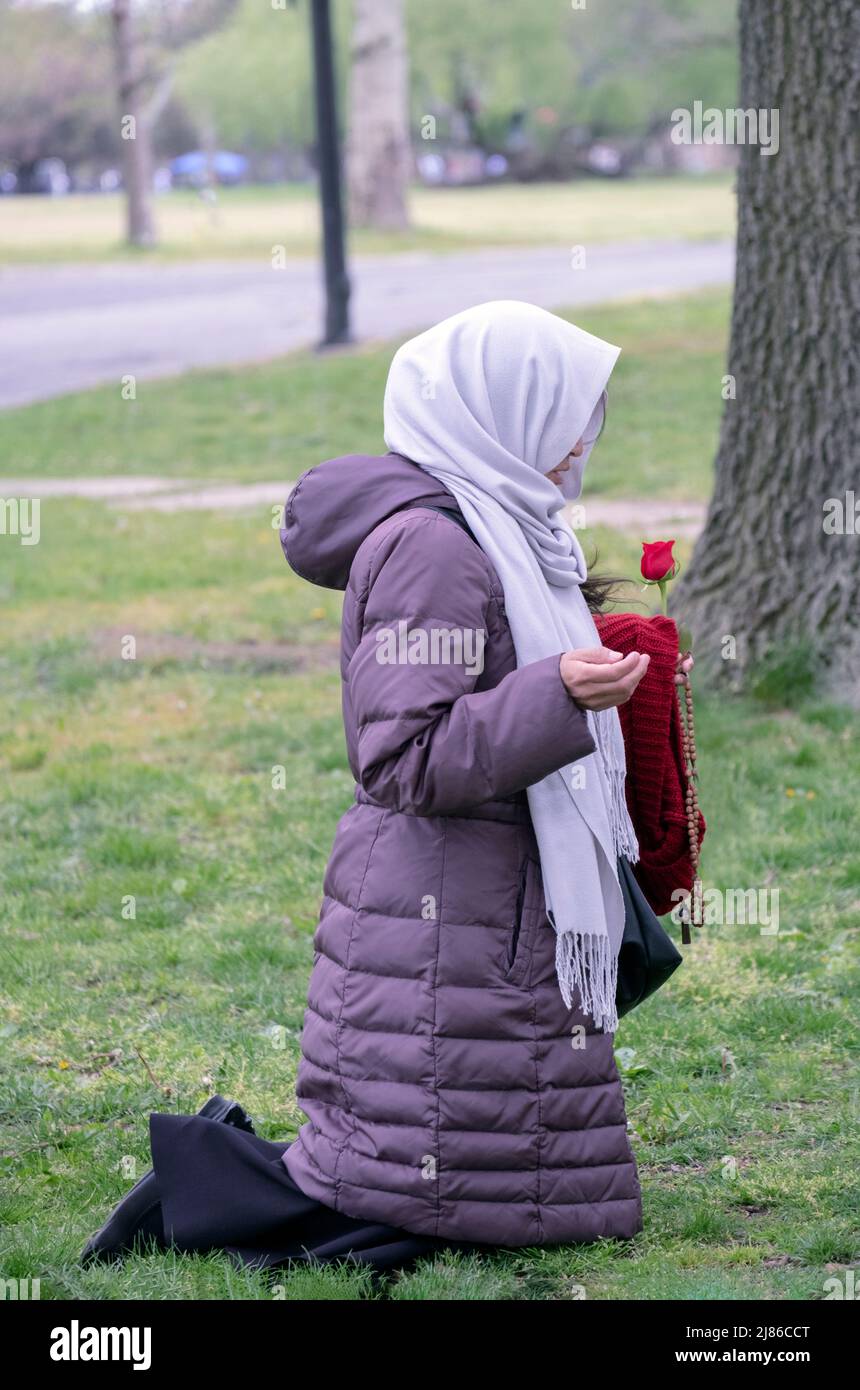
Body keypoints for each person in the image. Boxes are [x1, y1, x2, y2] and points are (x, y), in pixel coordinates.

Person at [82, 300, 693, 1274]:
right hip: (441, 892)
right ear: (500, 412)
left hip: (480, 894)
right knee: (407, 1197)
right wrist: (554, 695)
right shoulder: (433, 547)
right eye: (567, 411)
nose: (585, 437)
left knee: (494, 1178)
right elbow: (402, 756)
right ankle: (205, 1183)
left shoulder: (510, 527)